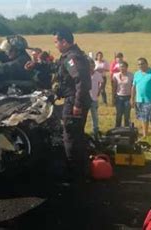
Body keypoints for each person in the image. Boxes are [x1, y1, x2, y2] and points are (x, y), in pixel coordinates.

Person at [53, 28, 92, 182]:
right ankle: (81, 171)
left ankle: (74, 173)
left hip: (74, 101)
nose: (56, 45)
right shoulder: (68, 57)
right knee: (76, 136)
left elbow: (82, 82)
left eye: (56, 42)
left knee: (70, 136)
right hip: (74, 99)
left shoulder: (72, 58)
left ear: (64, 41)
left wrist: (77, 104)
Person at [131, 57, 151, 142]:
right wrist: (132, 98)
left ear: (147, 64)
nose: (141, 66)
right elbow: (133, 86)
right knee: (143, 118)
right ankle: (145, 135)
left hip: (150, 100)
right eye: (139, 64)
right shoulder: (137, 74)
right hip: (139, 100)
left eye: (142, 64)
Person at [112, 61, 133, 127]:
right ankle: (117, 129)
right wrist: (113, 97)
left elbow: (133, 87)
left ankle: (126, 129)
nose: (122, 68)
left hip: (128, 97)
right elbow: (114, 87)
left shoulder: (131, 75)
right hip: (119, 97)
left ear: (127, 67)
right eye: (120, 67)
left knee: (127, 115)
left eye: (123, 66)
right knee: (119, 114)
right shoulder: (115, 75)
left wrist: (132, 98)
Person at [88, 58, 103, 137]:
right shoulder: (85, 74)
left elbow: (101, 82)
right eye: (90, 65)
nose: (91, 67)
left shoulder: (97, 74)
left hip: (94, 98)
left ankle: (95, 130)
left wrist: (99, 91)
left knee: (94, 115)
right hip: (86, 98)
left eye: (93, 65)